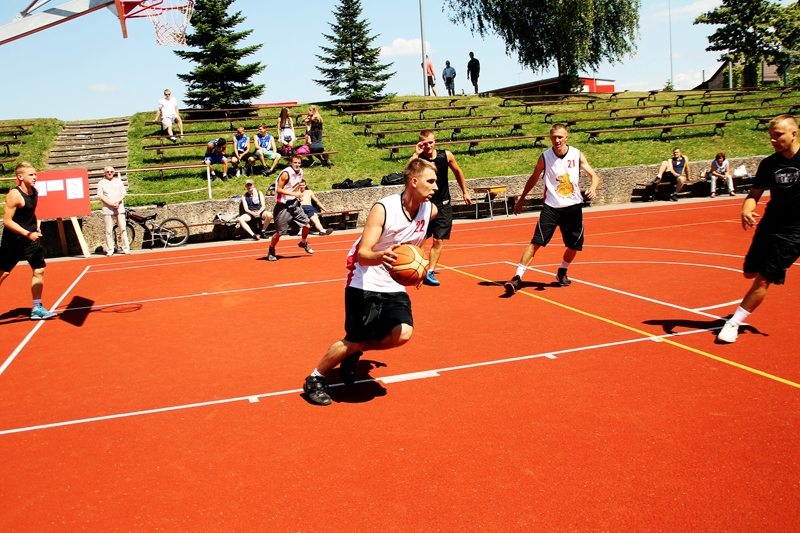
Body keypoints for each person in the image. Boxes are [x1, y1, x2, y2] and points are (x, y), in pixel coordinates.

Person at [301, 158, 439, 406]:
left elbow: (420, 238)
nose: (436, 186)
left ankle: (355, 352)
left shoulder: (430, 210)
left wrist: (418, 262)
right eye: (431, 181)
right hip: (364, 278)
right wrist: (380, 256)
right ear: (413, 182)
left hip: (393, 282)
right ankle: (315, 378)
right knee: (354, 338)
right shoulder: (384, 209)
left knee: (402, 334)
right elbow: (363, 253)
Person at [717, 115, 800, 344]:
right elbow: (754, 195)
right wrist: (746, 209)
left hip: (794, 233)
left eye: (778, 135)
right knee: (749, 272)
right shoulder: (769, 164)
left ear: (794, 133)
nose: (773, 140)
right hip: (769, 225)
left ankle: (733, 323)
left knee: (762, 279)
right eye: (771, 136)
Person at [503, 124, 600, 295]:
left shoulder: (576, 155)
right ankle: (517, 278)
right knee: (536, 243)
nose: (557, 140)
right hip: (551, 208)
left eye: (560, 137)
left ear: (566, 137)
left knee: (575, 245)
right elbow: (533, 178)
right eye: (554, 137)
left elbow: (594, 175)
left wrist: (593, 187)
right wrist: (522, 199)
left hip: (573, 208)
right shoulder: (545, 157)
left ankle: (562, 270)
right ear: (550, 138)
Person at [408, 129, 472, 286]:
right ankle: (420, 268)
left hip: (443, 204)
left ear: (435, 141)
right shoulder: (420, 160)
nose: (428, 146)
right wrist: (416, 154)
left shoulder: (446, 155)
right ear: (420, 143)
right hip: (424, 204)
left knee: (438, 239)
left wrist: (465, 192)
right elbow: (408, 173)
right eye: (424, 143)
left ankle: (430, 272)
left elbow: (458, 171)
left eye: (430, 142)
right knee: (421, 239)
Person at [0, 162, 58, 320]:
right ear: (20, 177)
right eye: (31, 175)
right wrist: (27, 233)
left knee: (39, 270)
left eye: (35, 174)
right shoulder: (14, 194)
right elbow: (7, 221)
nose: (35, 177)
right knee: (3, 273)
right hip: (13, 240)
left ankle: (37, 307)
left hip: (31, 238)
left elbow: (30, 213)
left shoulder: (35, 192)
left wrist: (35, 226)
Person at [267, 154, 314, 261]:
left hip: (294, 204)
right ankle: (271, 249)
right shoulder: (285, 174)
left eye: (299, 163)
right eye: (295, 163)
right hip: (283, 206)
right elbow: (279, 189)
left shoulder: (301, 172)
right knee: (279, 233)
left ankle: (303, 242)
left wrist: (298, 195)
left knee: (307, 226)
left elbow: (296, 185)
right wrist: (294, 195)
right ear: (291, 163)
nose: (297, 165)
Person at [96, 166, 130, 256]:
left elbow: (123, 194)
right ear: (104, 173)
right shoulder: (101, 183)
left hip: (119, 207)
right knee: (108, 231)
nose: (109, 173)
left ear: (114, 172)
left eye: (111, 171)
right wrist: (110, 204)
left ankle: (126, 248)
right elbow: (101, 196)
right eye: (108, 172)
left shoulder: (118, 181)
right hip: (107, 209)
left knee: (123, 229)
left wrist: (117, 202)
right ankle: (110, 250)